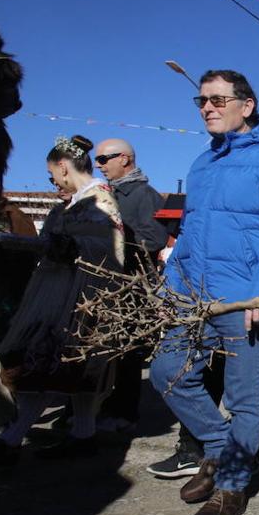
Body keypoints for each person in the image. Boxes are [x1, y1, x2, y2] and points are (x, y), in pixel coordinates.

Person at [148, 70, 259, 515]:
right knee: (166, 373)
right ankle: (222, 453)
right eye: (201, 100)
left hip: (246, 302)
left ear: (248, 104)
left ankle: (233, 486)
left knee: (245, 398)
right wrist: (168, 289)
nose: (208, 107)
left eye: (219, 99)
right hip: (193, 298)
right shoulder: (202, 165)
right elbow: (189, 235)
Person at [0, 135, 124, 464]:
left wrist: (57, 247)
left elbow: (113, 252)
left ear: (62, 166)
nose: (53, 181)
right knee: (48, 366)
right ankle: (76, 436)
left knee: (66, 368)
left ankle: (16, 440)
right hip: (56, 293)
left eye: (51, 174)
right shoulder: (67, 205)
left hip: (84, 297)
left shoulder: (100, 199)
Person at [92, 138, 168, 434]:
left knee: (127, 352)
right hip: (107, 285)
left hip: (132, 287)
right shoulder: (107, 194)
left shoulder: (144, 195)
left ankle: (124, 412)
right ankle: (100, 408)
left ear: (125, 159)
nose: (99, 165)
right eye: (97, 160)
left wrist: (119, 240)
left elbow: (156, 239)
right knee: (105, 352)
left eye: (104, 159)